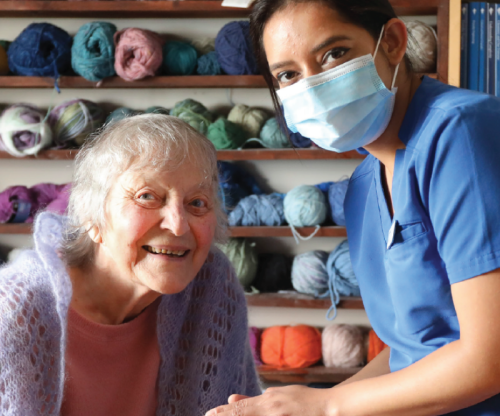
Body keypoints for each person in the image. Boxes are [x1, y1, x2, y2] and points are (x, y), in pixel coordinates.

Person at [206, 1, 500, 415]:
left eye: (333, 54)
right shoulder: (364, 186)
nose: (312, 85)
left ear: (393, 42)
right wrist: (289, 406)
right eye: (288, 74)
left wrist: (328, 405)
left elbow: (489, 359)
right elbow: (410, 349)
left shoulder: (461, 132)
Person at [0, 114, 260, 416]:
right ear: (92, 218)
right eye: (147, 196)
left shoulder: (213, 287)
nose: (178, 225)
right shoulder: (14, 312)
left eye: (198, 203)